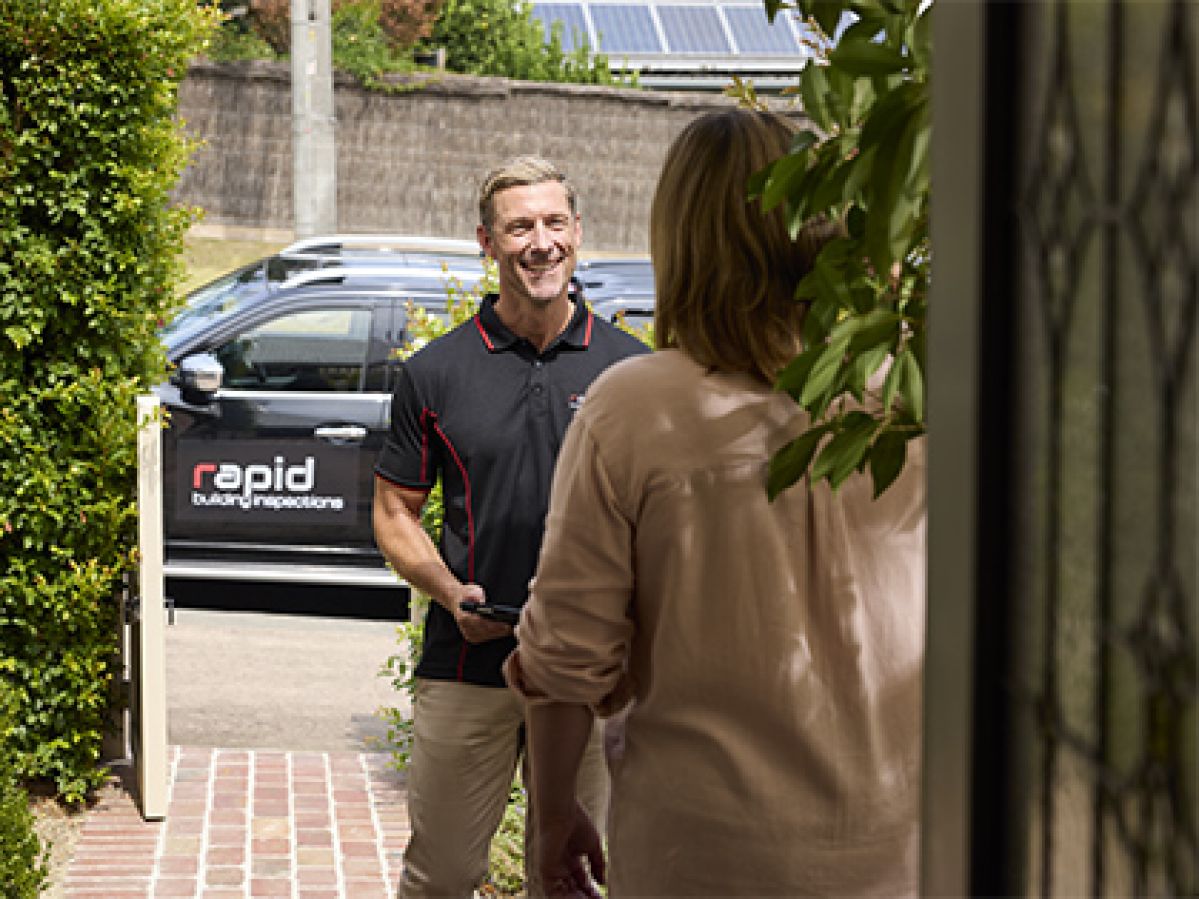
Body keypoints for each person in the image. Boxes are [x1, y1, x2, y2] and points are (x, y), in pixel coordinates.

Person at [505, 108, 927, 896]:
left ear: (682, 238)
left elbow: (566, 653)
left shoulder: (634, 409)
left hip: (702, 851)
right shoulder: (905, 400)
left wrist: (553, 817)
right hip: (902, 847)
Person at [372, 155, 649, 898]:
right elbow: (393, 510)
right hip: (469, 667)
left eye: (554, 222)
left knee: (579, 880)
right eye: (518, 226)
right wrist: (446, 590)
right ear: (486, 243)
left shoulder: (632, 372)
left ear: (577, 232)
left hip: (594, 670)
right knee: (442, 877)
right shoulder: (435, 372)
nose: (540, 241)